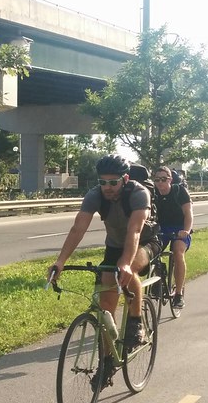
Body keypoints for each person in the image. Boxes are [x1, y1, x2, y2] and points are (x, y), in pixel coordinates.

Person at [48, 154, 162, 390]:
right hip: (114, 245)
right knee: (106, 305)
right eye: (103, 182)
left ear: (125, 179)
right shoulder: (95, 195)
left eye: (113, 182)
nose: (108, 187)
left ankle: (136, 322)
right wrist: (60, 262)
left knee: (130, 273)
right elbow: (78, 228)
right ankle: (107, 361)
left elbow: (134, 232)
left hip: (145, 242)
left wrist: (126, 263)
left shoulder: (139, 193)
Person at [153, 165, 193, 309]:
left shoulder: (179, 191)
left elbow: (188, 213)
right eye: (157, 180)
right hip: (161, 230)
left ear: (170, 179)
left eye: (163, 179)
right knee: (150, 252)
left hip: (180, 229)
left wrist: (186, 230)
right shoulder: (153, 194)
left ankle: (178, 294)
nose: (160, 183)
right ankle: (158, 275)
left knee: (177, 252)